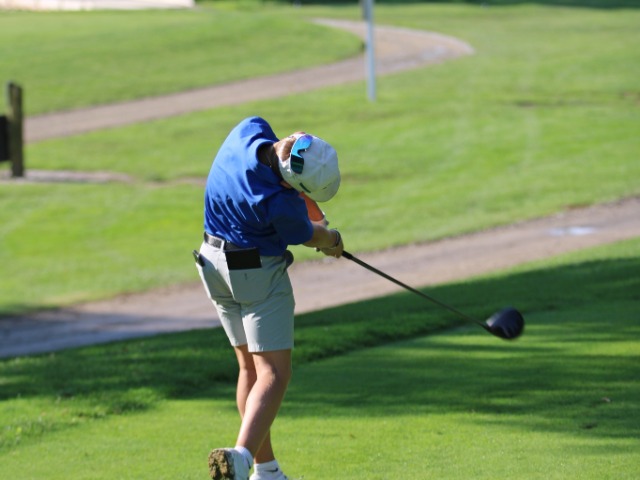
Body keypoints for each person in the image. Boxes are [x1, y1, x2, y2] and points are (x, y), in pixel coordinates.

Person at [194, 116, 344, 480]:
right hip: (255, 274)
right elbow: (311, 235)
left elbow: (283, 173)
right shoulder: (280, 203)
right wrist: (333, 240)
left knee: (249, 368)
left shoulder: (249, 129)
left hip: (211, 263)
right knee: (274, 372)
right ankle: (241, 457)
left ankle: (267, 470)